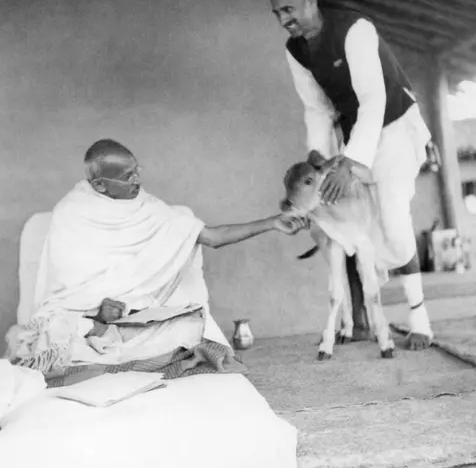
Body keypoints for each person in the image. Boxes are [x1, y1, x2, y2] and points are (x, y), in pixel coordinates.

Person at [6, 139, 308, 372]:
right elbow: (63, 295)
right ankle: (102, 348)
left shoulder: (148, 207)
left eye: (138, 170)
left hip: (132, 324)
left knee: (190, 328)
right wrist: (95, 314)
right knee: (53, 335)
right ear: (99, 184)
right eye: (128, 176)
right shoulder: (71, 214)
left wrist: (271, 223)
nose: (137, 180)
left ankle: (110, 354)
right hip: (84, 322)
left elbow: (213, 237)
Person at [270, 0, 433, 350]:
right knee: (358, 224)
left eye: (289, 9)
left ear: (311, 0)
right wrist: (319, 160)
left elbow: (373, 100)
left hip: (392, 126)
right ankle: (362, 320)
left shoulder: (355, 30)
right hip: (354, 136)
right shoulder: (296, 49)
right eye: (277, 13)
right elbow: (316, 109)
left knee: (393, 219)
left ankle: (419, 317)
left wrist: (348, 161)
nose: (284, 20)